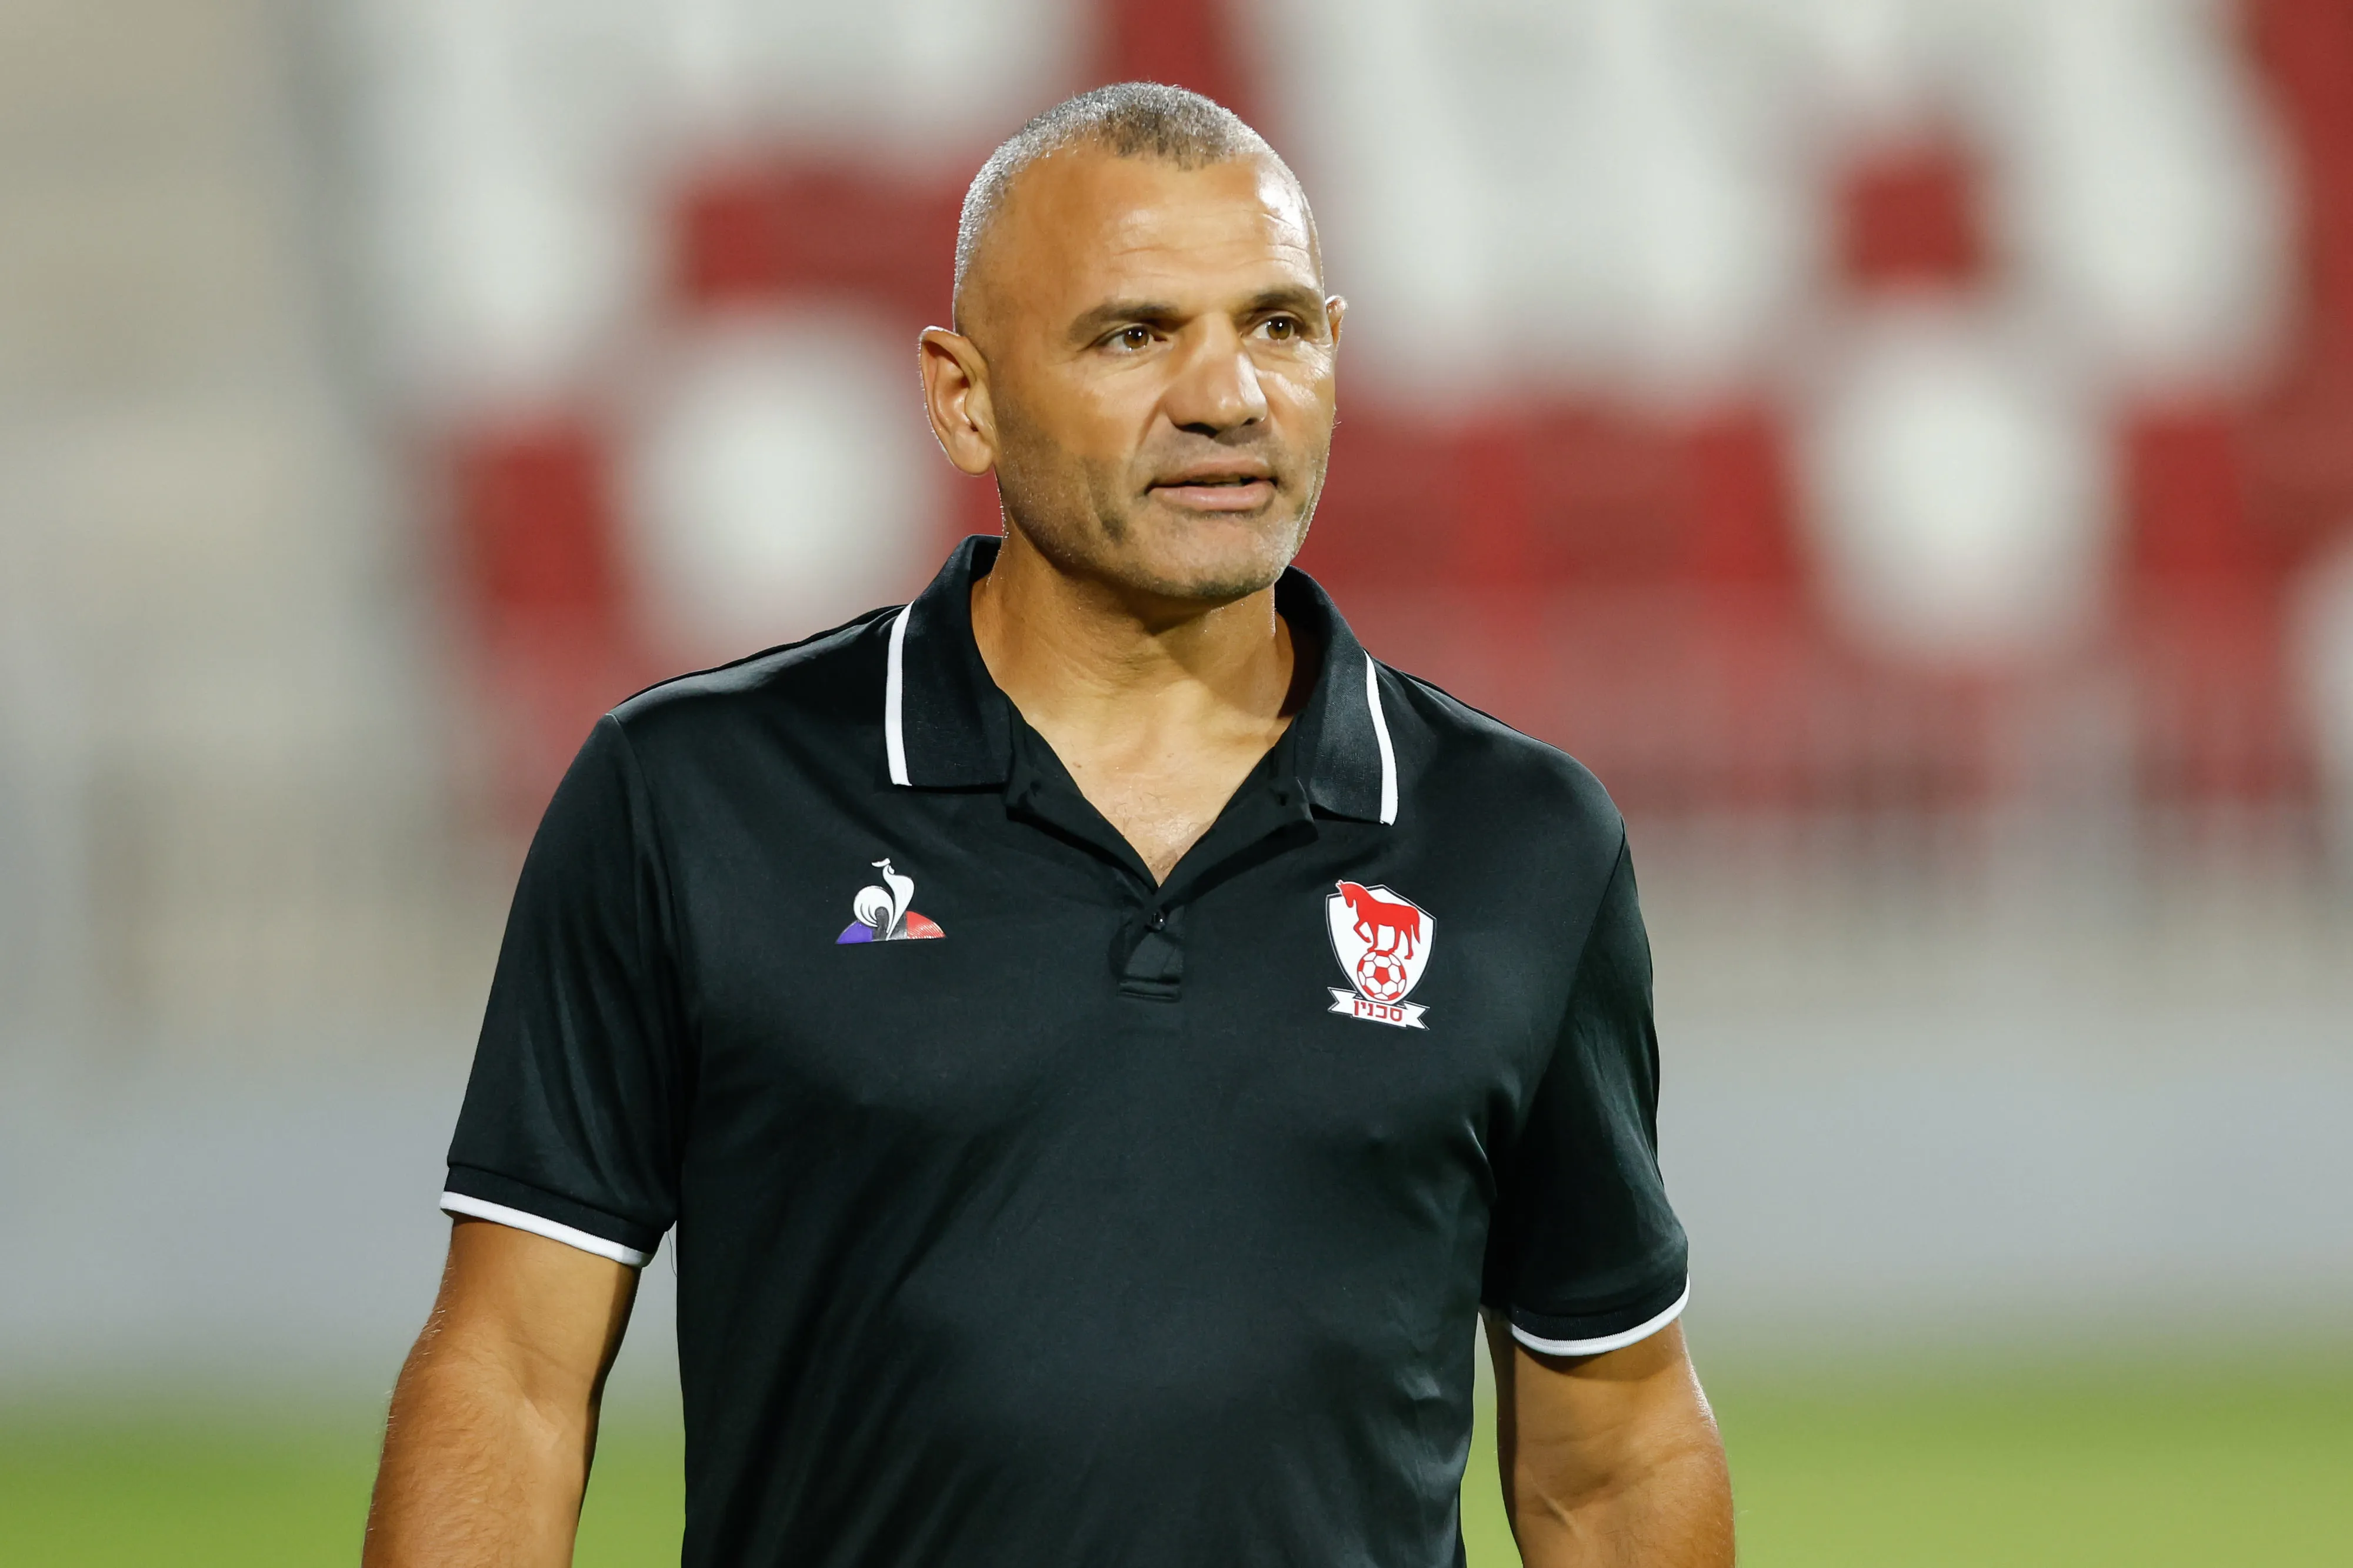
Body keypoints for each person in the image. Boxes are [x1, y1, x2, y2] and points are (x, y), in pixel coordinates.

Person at [364, 83, 1733, 1568]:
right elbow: (510, 1376)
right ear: (963, 396)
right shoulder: (696, 799)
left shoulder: (1516, 842)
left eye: (1277, 326)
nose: (1228, 396)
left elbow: (1612, 1456)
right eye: (1134, 335)